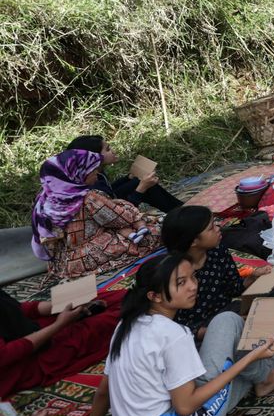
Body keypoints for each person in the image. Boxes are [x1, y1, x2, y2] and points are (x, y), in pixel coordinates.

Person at [70, 253, 274, 416]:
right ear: (155, 296)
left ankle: (269, 371)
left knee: (229, 324)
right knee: (244, 352)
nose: (193, 286)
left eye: (192, 277)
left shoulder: (126, 324)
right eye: (181, 283)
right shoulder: (173, 335)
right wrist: (250, 358)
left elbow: (105, 389)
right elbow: (185, 406)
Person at [162, 205, 274, 340]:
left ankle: (255, 329)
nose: (218, 228)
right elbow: (174, 328)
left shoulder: (217, 250)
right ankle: (254, 331)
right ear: (193, 241)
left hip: (229, 311)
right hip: (203, 328)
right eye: (211, 228)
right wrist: (234, 325)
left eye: (215, 224)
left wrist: (252, 278)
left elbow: (233, 288)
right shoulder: (173, 273)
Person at [31, 149, 161, 280]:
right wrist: (128, 207)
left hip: (58, 263)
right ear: (79, 173)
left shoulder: (43, 199)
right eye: (92, 170)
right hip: (83, 257)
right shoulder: (87, 198)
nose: (97, 173)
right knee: (155, 232)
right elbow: (122, 218)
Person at [0, 285, 124, 397]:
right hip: (25, 361)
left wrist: (58, 306)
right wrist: (60, 324)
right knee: (108, 322)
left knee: (108, 299)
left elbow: (14, 309)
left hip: (28, 329)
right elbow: (7, 354)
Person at [66, 135, 182, 213]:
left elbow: (110, 191)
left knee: (136, 181)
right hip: (112, 219)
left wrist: (128, 178)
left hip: (111, 206)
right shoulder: (91, 183)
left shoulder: (97, 172)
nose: (113, 151)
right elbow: (117, 215)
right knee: (142, 185)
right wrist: (141, 188)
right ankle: (180, 212)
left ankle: (181, 209)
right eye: (107, 149)